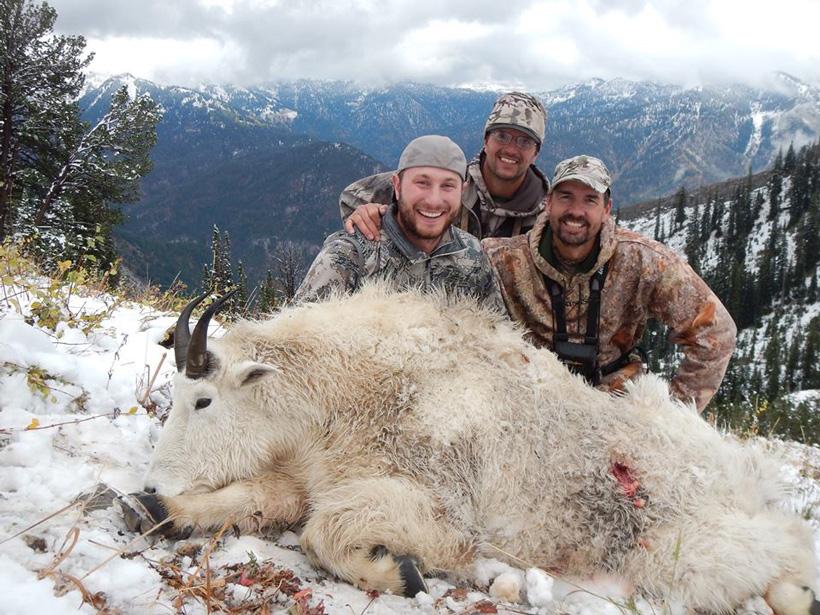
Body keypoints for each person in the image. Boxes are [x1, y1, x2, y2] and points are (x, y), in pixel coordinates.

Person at [482, 155, 737, 412]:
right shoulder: (503, 259)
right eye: (565, 196)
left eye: (590, 199)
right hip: (532, 398)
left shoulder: (643, 260)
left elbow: (717, 332)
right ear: (548, 203)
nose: (576, 211)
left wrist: (673, 416)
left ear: (606, 208)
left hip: (617, 405)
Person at [295, 135, 504, 311]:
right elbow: (298, 341)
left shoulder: (473, 255)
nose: (433, 200)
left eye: (448, 186)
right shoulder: (350, 255)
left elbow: (495, 338)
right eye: (422, 183)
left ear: (462, 191)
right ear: (397, 185)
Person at [340, 92, 549, 241]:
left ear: (536, 153)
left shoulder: (547, 213)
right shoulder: (446, 181)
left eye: (525, 142)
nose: (511, 149)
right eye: (502, 136)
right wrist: (367, 214)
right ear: (486, 140)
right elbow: (352, 197)